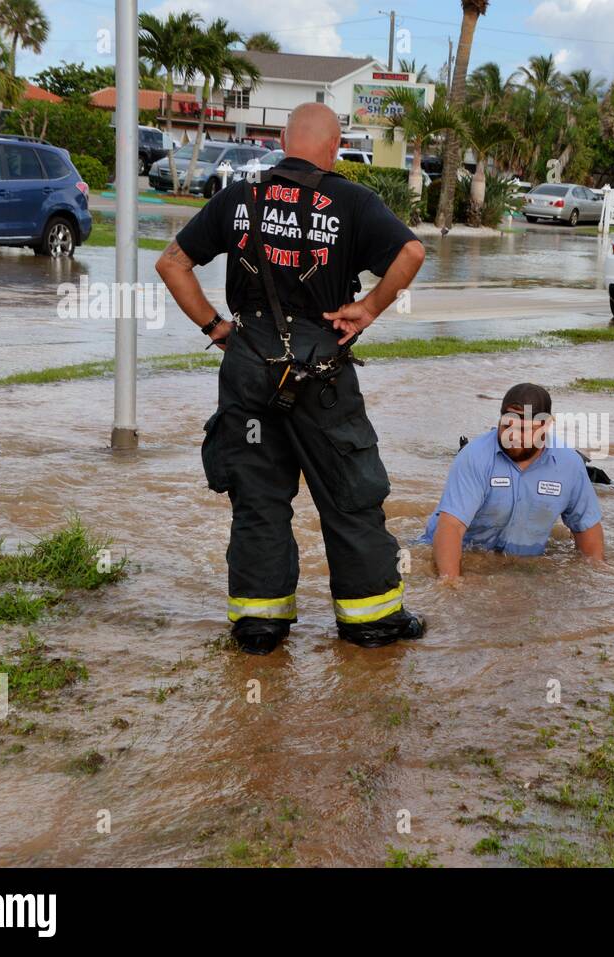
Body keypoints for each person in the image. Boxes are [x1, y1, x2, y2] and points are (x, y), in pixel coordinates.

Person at [155, 102, 427, 654]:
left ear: (282, 140)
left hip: (248, 364)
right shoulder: (352, 200)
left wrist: (216, 326)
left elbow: (171, 263)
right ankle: (370, 620)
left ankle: (260, 626)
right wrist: (369, 309)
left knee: (257, 496)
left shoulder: (240, 197)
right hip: (319, 370)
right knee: (349, 492)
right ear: (333, 149)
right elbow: (411, 252)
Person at [423, 384, 605, 579]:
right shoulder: (474, 456)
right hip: (465, 554)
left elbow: (586, 528)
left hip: (524, 562)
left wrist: (594, 577)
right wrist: (449, 583)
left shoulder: (569, 464)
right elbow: (451, 526)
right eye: (507, 425)